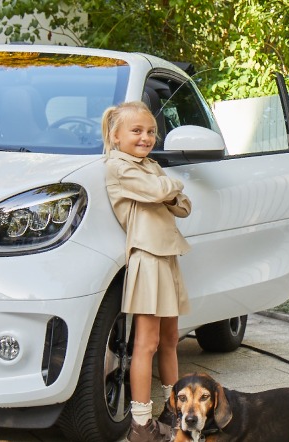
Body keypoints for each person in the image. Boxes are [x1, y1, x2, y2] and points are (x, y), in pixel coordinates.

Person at [103, 101, 192, 442]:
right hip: (147, 258)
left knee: (171, 339)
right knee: (147, 343)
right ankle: (141, 424)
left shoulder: (150, 165)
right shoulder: (119, 166)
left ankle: (174, 412)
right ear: (115, 136)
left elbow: (183, 206)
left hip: (167, 256)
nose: (146, 137)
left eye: (151, 131)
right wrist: (169, 187)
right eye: (136, 131)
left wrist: (168, 190)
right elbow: (161, 191)